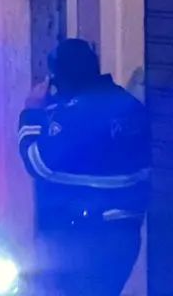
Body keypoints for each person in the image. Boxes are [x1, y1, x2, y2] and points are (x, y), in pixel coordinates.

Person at [17, 38, 150, 296]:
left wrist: (31, 113)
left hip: (87, 238)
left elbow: (38, 163)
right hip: (123, 236)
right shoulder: (127, 105)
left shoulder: (78, 115)